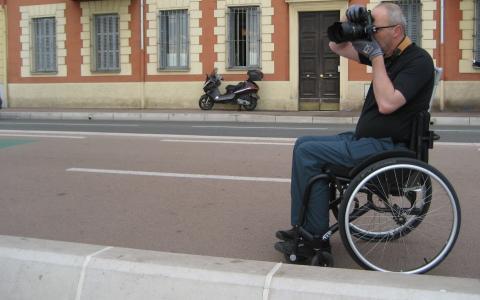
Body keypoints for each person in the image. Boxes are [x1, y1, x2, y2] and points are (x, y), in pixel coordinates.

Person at [275, 2, 434, 256]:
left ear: (397, 30)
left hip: (387, 147)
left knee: (310, 154)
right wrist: (352, 23)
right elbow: (335, 45)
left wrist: (376, 57)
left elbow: (387, 103)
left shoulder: (418, 61)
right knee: (303, 144)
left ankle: (315, 240)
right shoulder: (387, 52)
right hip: (369, 141)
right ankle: (303, 227)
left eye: (375, 29)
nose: (372, 34)